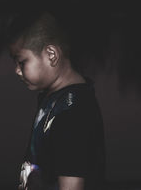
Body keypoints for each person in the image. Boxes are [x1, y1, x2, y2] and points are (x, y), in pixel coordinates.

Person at [6, 12, 105, 190]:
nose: (17, 71)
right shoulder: (54, 98)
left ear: (51, 55)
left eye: (21, 62)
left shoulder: (73, 113)